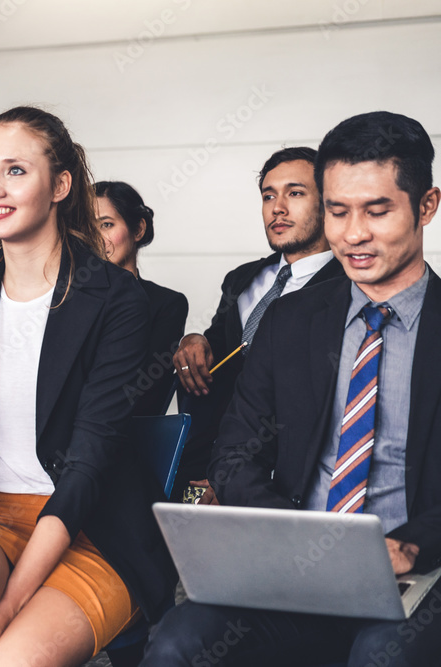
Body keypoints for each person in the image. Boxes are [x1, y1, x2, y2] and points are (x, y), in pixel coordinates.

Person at [142, 111, 441, 666]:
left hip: (415, 572)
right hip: (295, 569)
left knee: (384, 654)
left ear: (426, 205)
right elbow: (235, 454)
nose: (352, 234)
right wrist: (290, 537)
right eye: (336, 210)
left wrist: (411, 546)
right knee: (179, 640)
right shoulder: (290, 320)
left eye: (377, 211)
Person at [0, 106, 177, 666]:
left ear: (60, 186)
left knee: (8, 660)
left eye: (15, 170)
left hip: (91, 529)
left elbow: (89, 463)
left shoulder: (117, 300)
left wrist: (6, 610)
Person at [172, 146, 343, 500]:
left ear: (329, 202)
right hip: (205, 465)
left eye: (295, 193)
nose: (277, 208)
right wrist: (194, 339)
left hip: (281, 481)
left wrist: (239, 482)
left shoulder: (350, 285)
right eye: (268, 196)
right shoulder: (243, 279)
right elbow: (223, 352)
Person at [94, 180, 188, 416]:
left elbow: (144, 397)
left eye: (106, 224)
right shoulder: (65, 298)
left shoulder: (167, 304)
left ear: (138, 230)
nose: (95, 238)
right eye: (85, 227)